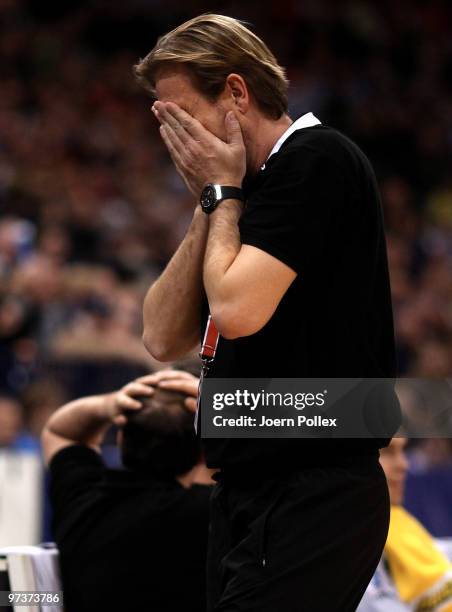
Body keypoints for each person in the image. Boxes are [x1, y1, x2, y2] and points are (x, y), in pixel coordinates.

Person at [136, 14, 396, 611]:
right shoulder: (240, 192)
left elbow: (236, 311)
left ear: (235, 93)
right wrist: (215, 197)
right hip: (248, 490)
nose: (176, 135)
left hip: (314, 483)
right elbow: (160, 334)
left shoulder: (316, 158)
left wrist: (222, 193)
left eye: (182, 114)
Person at [42, 369, 213, 612]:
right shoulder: (216, 514)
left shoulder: (84, 501)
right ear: (202, 455)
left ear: (120, 438)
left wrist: (109, 404)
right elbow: (286, 427)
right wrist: (219, 404)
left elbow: (60, 432)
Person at [359, 437, 452, 611]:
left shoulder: (397, 522)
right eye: (388, 452)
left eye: (402, 451)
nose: (403, 465)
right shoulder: (343, 538)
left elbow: (437, 551)